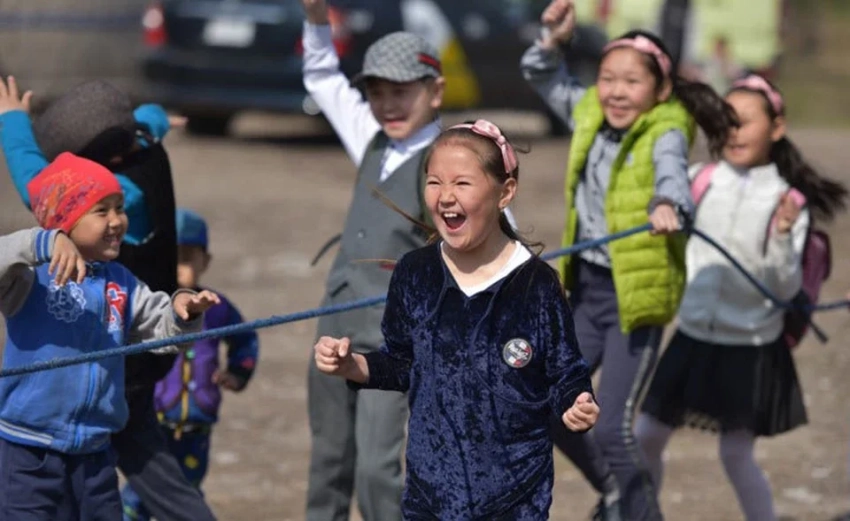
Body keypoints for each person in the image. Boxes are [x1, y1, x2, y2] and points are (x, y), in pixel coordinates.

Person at [300, 1, 521, 519]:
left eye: (401, 91)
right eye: (377, 93)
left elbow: (498, 235)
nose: (388, 105)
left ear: (435, 90)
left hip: (392, 341)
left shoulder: (455, 157)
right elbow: (321, 75)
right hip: (334, 321)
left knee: (378, 468)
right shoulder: (370, 137)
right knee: (329, 459)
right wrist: (315, 19)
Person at [519, 1, 739, 519]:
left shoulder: (665, 129)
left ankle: (639, 512)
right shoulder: (589, 111)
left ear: (660, 89)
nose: (616, 91)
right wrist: (553, 39)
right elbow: (539, 73)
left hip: (633, 299)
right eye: (607, 78)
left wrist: (669, 205)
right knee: (550, 404)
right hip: (587, 289)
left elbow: (672, 177)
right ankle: (617, 495)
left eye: (631, 81)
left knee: (612, 425)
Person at [314, 119, 598, 519]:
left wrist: (577, 401)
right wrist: (352, 364)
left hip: (513, 501)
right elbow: (401, 363)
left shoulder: (536, 284)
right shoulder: (415, 272)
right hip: (430, 497)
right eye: (434, 182)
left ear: (505, 192)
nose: (445, 196)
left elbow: (565, 371)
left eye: (462, 184)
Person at [0, 76, 218, 521]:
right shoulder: (30, 279)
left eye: (120, 207)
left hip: (95, 452)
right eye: (103, 211)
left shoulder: (121, 280)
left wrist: (180, 313)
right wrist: (42, 243)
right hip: (28, 452)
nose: (119, 220)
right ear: (63, 218)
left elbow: (157, 323)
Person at [636, 74, 848, 521]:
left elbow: (787, 288)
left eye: (746, 122)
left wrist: (783, 234)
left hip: (750, 346)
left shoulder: (787, 199)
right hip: (694, 335)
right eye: (726, 121)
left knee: (735, 454)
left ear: (776, 127)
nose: (734, 132)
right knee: (646, 436)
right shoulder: (700, 180)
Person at [121, 208, 260, 521]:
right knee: (139, 495)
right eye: (172, 259)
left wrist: (238, 372)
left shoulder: (218, 308)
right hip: (154, 422)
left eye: (187, 258)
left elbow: (245, 339)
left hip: (198, 428)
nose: (179, 268)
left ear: (204, 262)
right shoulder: (151, 304)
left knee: (186, 493)